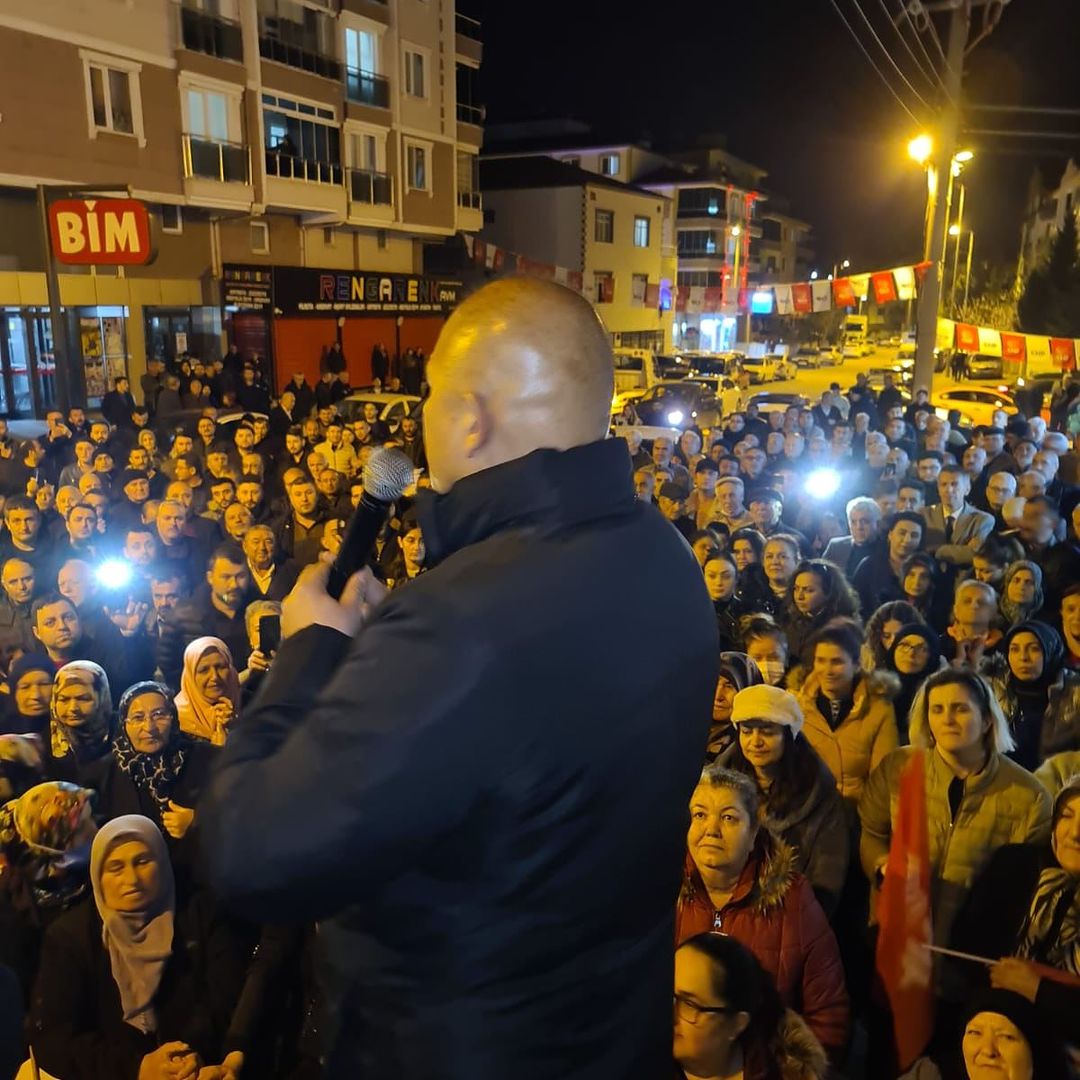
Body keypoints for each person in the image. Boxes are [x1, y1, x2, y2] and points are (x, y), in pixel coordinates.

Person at [199, 276, 719, 1078]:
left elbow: (253, 853)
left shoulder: (459, 621)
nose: (423, 417)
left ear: (470, 418)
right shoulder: (665, 559)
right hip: (608, 1035)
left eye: (432, 393)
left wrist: (312, 651)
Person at [29, 814, 247, 1080]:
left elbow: (225, 998)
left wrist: (187, 1057)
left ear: (163, 861)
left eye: (142, 861)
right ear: (97, 875)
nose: (131, 879)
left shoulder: (200, 914)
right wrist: (138, 1068)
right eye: (115, 867)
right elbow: (53, 1038)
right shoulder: (70, 937)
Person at [860, 668, 1051, 954]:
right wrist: (883, 864)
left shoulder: (1029, 796)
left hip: (971, 956)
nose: (947, 719)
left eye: (960, 708)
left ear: (987, 720)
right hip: (897, 943)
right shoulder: (898, 767)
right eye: (937, 709)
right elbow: (872, 833)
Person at [676, 766, 849, 1056]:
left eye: (728, 817)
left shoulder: (793, 900)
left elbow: (828, 1014)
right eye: (700, 815)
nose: (711, 830)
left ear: (754, 831)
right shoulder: (661, 891)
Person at [949, 776, 1080, 1041]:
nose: (1076, 833)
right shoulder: (1014, 865)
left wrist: (1037, 990)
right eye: (1067, 816)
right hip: (985, 1028)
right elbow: (965, 947)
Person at [722, 684, 849, 917]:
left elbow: (828, 868)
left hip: (788, 916)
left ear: (788, 735)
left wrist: (802, 921)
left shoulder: (817, 791)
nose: (755, 741)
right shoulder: (719, 784)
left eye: (767, 732)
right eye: (747, 731)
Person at [673, 933, 828, 1080]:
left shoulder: (776, 1072)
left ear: (736, 1024)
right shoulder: (651, 1065)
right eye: (668, 997)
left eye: (689, 1004)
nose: (670, 1015)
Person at [80, 682, 216, 847]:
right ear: (124, 723)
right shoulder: (102, 773)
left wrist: (200, 821)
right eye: (138, 718)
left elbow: (237, 810)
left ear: (173, 717)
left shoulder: (206, 758)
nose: (149, 727)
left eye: (159, 715)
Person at [792, 618, 899, 803]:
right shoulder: (796, 706)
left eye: (837, 662)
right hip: (809, 811)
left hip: (858, 813)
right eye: (821, 661)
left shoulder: (878, 709)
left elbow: (883, 777)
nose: (827, 670)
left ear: (856, 664)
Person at [984, 620, 1080, 772]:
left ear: (1050, 651)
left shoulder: (1074, 693)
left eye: (1034, 649)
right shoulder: (994, 690)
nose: (1023, 657)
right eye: (1014, 649)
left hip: (1061, 787)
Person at [781, 558, 860, 662]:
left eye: (808, 590)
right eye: (796, 589)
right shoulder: (789, 621)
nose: (799, 597)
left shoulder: (844, 628)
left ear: (829, 593)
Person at [851, 511, 925, 617]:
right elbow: (854, 606)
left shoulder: (925, 570)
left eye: (914, 535)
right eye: (902, 533)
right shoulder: (869, 566)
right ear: (890, 535)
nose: (907, 540)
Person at [174, 637, 241, 747]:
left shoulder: (251, 703)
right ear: (190, 676)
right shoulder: (175, 722)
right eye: (204, 670)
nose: (214, 677)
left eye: (220, 667)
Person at [707, 653, 763, 763]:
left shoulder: (752, 746)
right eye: (714, 683)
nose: (718, 696)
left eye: (729, 686)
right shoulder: (684, 729)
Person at [821, 496, 882, 578]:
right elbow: (819, 575)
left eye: (865, 522)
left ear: (877, 524)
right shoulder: (836, 547)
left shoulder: (888, 549)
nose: (859, 527)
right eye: (853, 522)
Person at [2, 653, 54, 740]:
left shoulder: (72, 733)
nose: (36, 695)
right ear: (14, 692)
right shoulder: (3, 732)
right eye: (25, 687)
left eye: (43, 684)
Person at [704, 553, 741, 651]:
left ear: (736, 579)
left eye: (726, 576)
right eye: (711, 576)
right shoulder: (694, 612)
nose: (718, 582)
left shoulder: (747, 611)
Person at [742, 616, 790, 688]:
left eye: (774, 657)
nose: (766, 664)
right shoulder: (734, 692)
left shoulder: (801, 694)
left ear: (786, 658)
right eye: (757, 658)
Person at [998, 560, 1044, 627]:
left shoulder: (1044, 621)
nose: (1021, 587)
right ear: (1007, 584)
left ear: (1037, 589)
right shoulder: (994, 615)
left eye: (1028, 582)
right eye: (1016, 581)